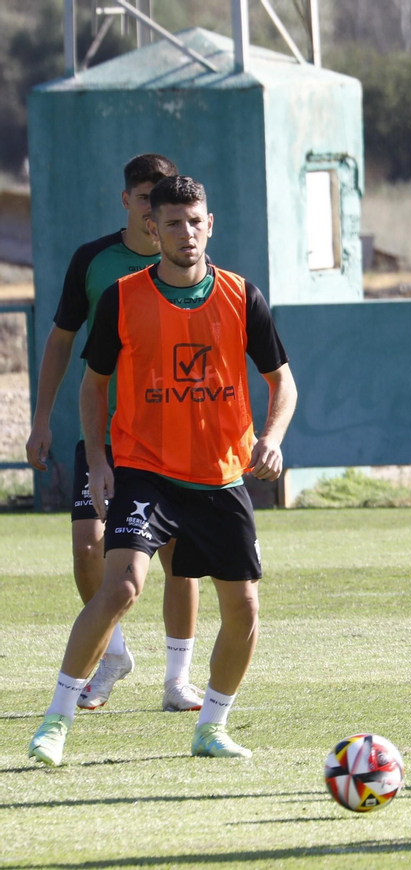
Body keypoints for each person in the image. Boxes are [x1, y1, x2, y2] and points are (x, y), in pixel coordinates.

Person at [27, 175, 297, 766]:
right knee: (120, 586)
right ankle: (56, 722)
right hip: (145, 469)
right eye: (173, 222)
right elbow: (94, 385)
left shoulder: (240, 295)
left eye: (195, 220)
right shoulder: (124, 296)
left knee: (245, 609)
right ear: (153, 228)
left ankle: (211, 725)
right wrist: (98, 462)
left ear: (210, 222)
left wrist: (272, 438)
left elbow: (282, 382)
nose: (186, 232)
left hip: (221, 475)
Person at [25, 153, 205, 713]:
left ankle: (178, 680)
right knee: (88, 547)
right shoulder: (96, 261)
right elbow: (61, 342)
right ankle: (115, 654)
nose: (162, 215)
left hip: (174, 436)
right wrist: (39, 421)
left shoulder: (194, 266)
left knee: (180, 557)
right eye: (149, 200)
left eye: (170, 205)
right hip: (107, 434)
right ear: (128, 201)